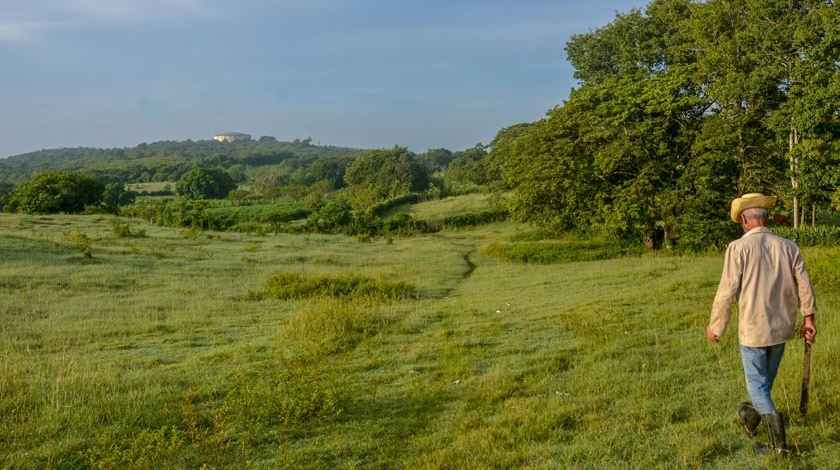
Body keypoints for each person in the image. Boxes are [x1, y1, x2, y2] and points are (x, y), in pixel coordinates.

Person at [706, 193, 817, 455]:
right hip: (781, 329)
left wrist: (716, 326)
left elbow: (727, 290)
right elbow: (804, 284)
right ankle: (750, 416)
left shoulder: (738, 248)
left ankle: (779, 447)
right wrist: (808, 317)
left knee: (757, 388)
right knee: (764, 385)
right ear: (765, 219)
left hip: (754, 330)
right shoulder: (789, 246)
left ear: (745, 220)